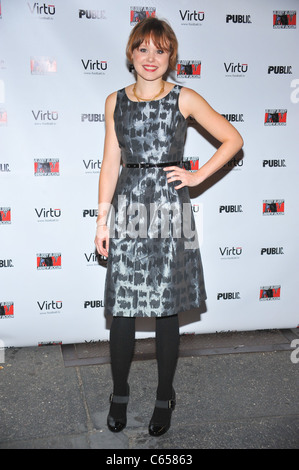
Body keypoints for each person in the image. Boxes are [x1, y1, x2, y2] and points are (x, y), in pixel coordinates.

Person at [95, 17, 243, 437]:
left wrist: (196, 176)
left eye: (160, 50)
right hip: (127, 206)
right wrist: (101, 219)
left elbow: (233, 139)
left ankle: (164, 396)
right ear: (131, 53)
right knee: (121, 306)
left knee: (166, 307)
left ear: (170, 56)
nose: (151, 58)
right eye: (143, 48)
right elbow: (110, 164)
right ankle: (118, 394)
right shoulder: (114, 101)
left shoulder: (184, 98)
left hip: (167, 209)